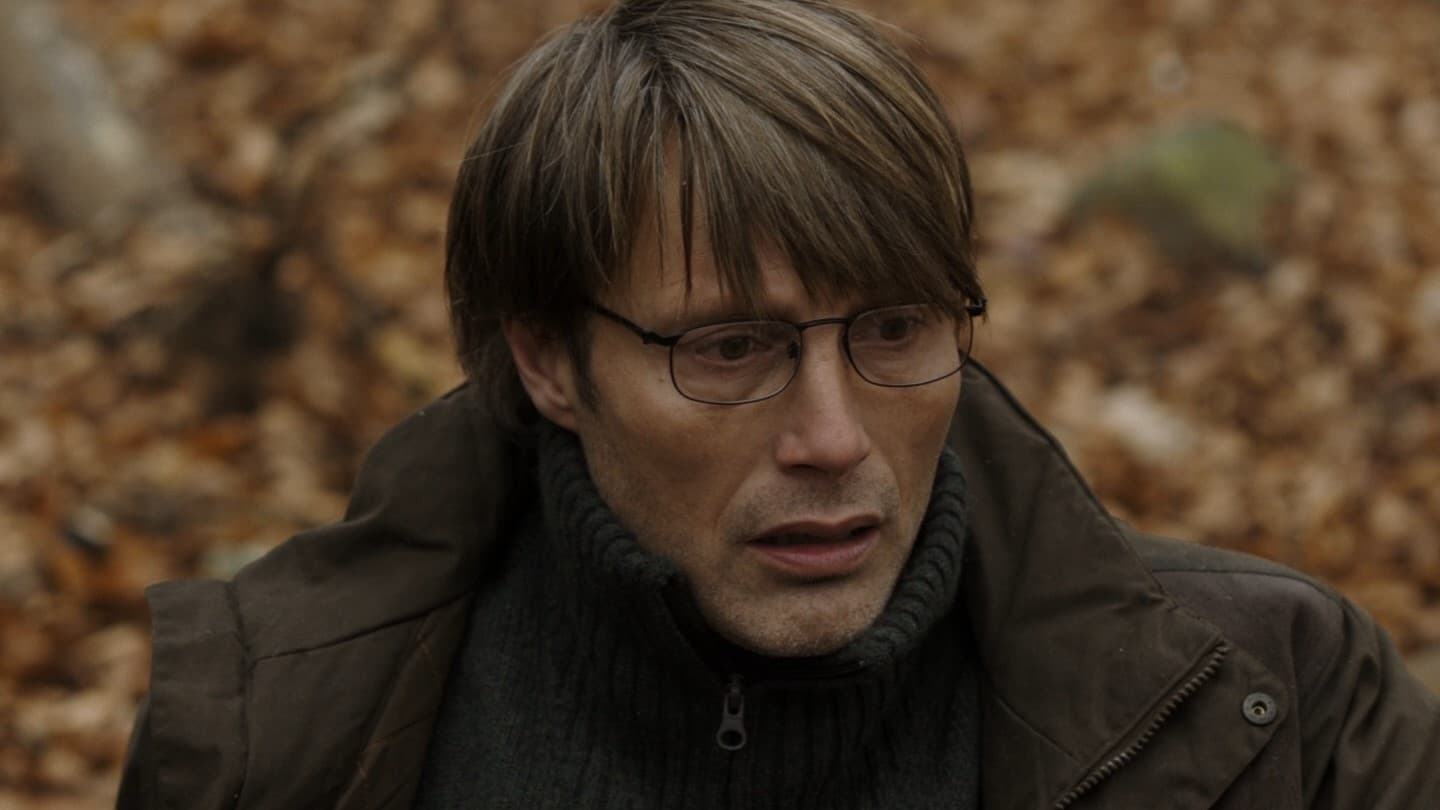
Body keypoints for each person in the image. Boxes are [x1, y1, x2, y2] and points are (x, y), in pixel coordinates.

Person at [117, 0, 1439, 807]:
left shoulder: (1288, 704)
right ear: (550, 363)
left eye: (895, 329)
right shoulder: (268, 733)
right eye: (729, 348)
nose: (832, 438)